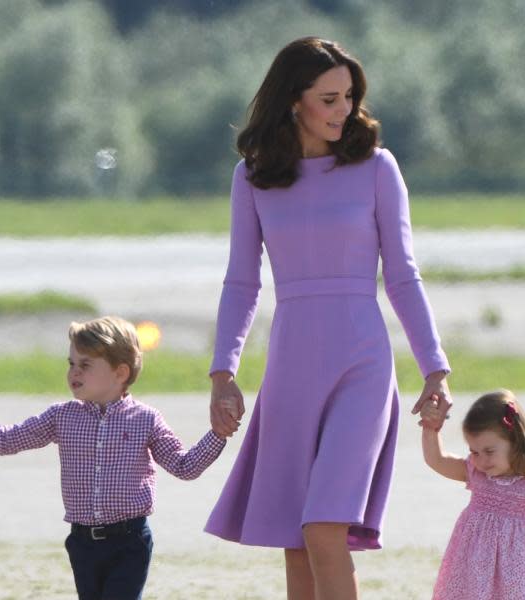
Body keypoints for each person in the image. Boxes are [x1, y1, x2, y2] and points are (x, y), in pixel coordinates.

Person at [205, 37, 452, 599]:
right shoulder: (252, 177)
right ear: (295, 100)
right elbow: (242, 281)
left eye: (349, 97)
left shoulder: (376, 168)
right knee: (297, 544)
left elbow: (404, 276)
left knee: (324, 528)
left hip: (362, 363)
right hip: (291, 366)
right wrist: (224, 372)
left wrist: (435, 368)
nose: (344, 110)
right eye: (330, 98)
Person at [0, 316, 226, 600]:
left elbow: (184, 466)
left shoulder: (145, 419)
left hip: (129, 541)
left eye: (85, 365)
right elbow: (9, 439)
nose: (74, 373)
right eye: (72, 364)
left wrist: (218, 434)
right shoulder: (62, 416)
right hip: (82, 543)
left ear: (120, 373)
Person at [420, 390, 525, 599]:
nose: (481, 460)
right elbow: (436, 460)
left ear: (515, 440)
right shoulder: (477, 474)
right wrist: (431, 428)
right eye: (474, 452)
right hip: (475, 576)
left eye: (489, 451)